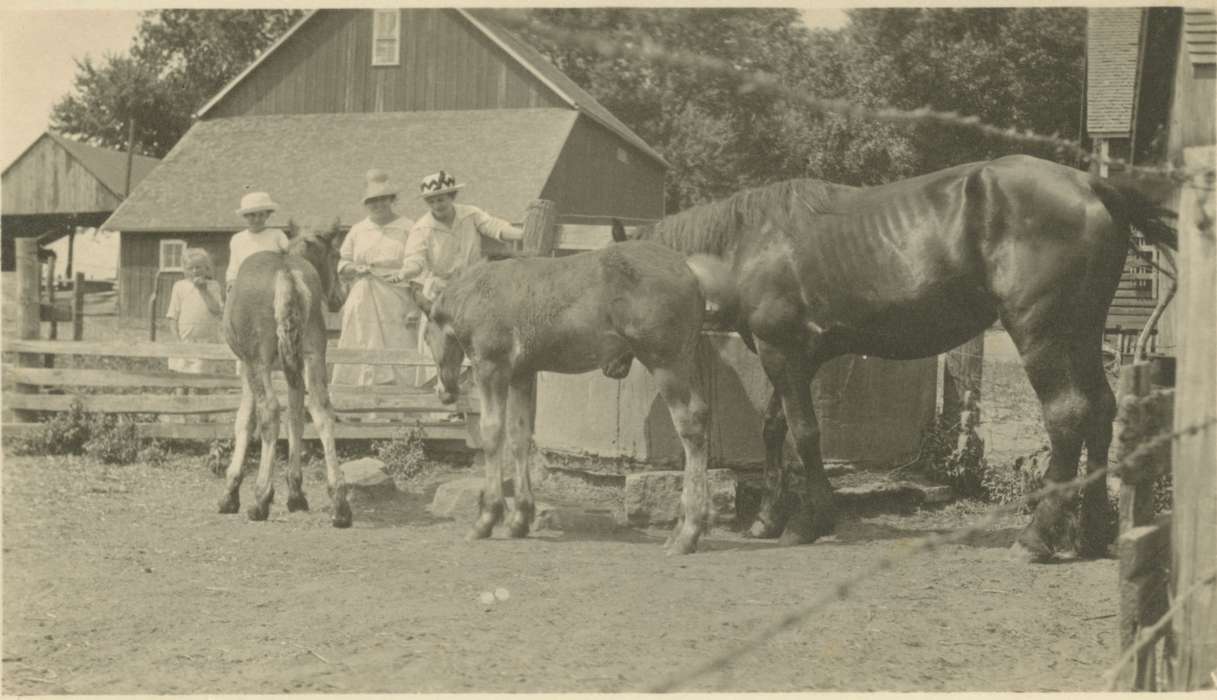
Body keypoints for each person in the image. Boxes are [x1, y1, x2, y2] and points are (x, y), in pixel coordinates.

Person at [331, 169, 418, 392]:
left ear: (392, 200)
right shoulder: (358, 230)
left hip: (397, 297)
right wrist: (354, 268)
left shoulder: (408, 227)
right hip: (363, 296)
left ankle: (403, 402)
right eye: (372, 201)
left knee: (399, 345)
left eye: (382, 199)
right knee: (360, 342)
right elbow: (342, 263)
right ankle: (354, 400)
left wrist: (413, 305)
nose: (377, 205)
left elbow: (417, 267)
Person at [388, 170, 524, 298]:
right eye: (431, 201)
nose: (436, 205)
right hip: (441, 290)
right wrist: (404, 273)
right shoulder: (421, 228)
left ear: (452, 196)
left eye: (440, 199)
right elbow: (415, 259)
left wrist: (522, 234)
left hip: (474, 282)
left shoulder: (470, 214)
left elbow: (494, 227)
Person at [165, 249, 225, 422]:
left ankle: (202, 421)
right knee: (181, 382)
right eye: (190, 268)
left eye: (199, 267)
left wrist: (204, 290)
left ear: (207, 269)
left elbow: (216, 311)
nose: (195, 271)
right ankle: (179, 419)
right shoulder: (179, 286)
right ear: (184, 269)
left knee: (201, 382)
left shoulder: (213, 286)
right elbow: (172, 316)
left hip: (205, 344)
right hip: (184, 342)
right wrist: (177, 342)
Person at [226, 191, 289, 292]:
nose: (257, 219)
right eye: (252, 215)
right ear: (245, 216)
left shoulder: (277, 235)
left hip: (273, 285)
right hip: (246, 286)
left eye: (261, 215)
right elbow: (233, 267)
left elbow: (289, 259)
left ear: (267, 215)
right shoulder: (237, 239)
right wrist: (231, 281)